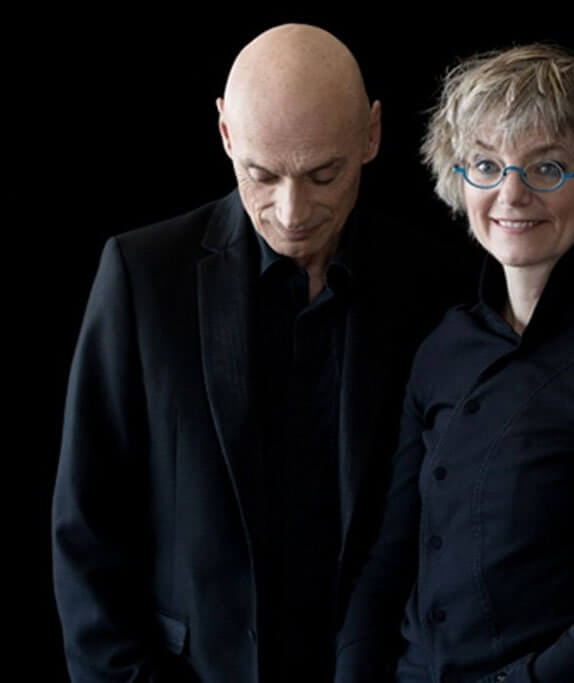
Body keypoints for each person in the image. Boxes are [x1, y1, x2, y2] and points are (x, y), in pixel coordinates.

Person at [51, 23, 474, 683]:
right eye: (261, 174)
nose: (291, 211)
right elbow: (86, 525)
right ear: (226, 133)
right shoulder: (143, 275)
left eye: (323, 174)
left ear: (371, 135)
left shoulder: (435, 284)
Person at [335, 44, 574, 682]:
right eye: (486, 164)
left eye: (547, 167)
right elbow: (388, 557)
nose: (511, 193)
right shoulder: (444, 346)